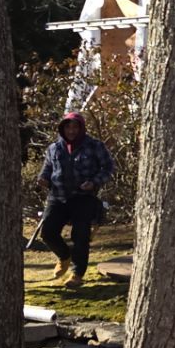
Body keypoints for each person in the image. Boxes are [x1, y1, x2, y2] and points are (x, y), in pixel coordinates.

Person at [38, 111, 114, 287]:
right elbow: (47, 168)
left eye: (75, 127)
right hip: (57, 196)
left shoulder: (94, 146)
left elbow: (108, 167)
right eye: (67, 127)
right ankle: (64, 256)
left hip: (83, 196)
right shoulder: (54, 148)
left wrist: (94, 182)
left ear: (81, 128)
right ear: (62, 128)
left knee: (80, 236)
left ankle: (77, 274)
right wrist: (43, 178)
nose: (71, 131)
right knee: (48, 232)